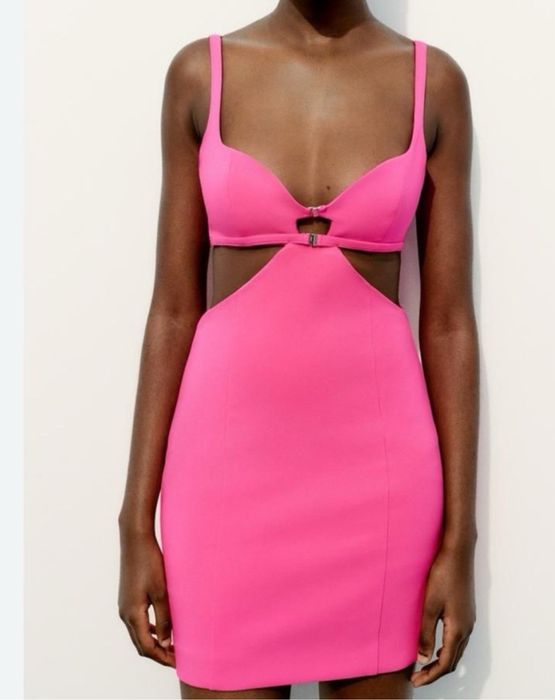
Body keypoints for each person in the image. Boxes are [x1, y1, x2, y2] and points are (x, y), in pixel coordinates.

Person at [118, 2, 479, 698]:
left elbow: (448, 326)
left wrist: (458, 541)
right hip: (223, 485)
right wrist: (135, 522)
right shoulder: (201, 75)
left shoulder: (432, 85)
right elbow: (172, 311)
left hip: (378, 488)